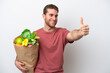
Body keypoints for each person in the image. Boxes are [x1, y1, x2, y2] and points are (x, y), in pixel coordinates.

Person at [15, 4, 89, 73]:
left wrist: (80, 32)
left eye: (56, 16)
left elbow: (72, 35)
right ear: (44, 16)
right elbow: (26, 51)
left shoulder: (62, 32)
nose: (54, 18)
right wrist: (16, 61)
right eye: (51, 15)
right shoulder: (35, 34)